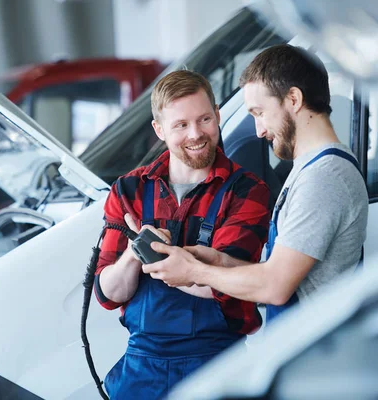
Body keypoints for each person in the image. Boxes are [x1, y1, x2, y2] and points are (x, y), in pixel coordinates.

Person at [142, 44, 369, 324]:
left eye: (259, 112)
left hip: (321, 355)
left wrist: (194, 272)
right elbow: (280, 271)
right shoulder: (310, 171)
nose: (260, 131)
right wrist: (219, 261)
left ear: (294, 99)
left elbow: (275, 286)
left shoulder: (325, 178)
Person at [94, 70, 271, 399]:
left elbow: (237, 284)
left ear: (217, 115)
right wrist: (134, 254)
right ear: (159, 130)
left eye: (205, 119)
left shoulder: (247, 190)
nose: (196, 134)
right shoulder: (128, 190)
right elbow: (107, 294)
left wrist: (181, 265)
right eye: (181, 125)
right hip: (141, 369)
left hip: (219, 366)